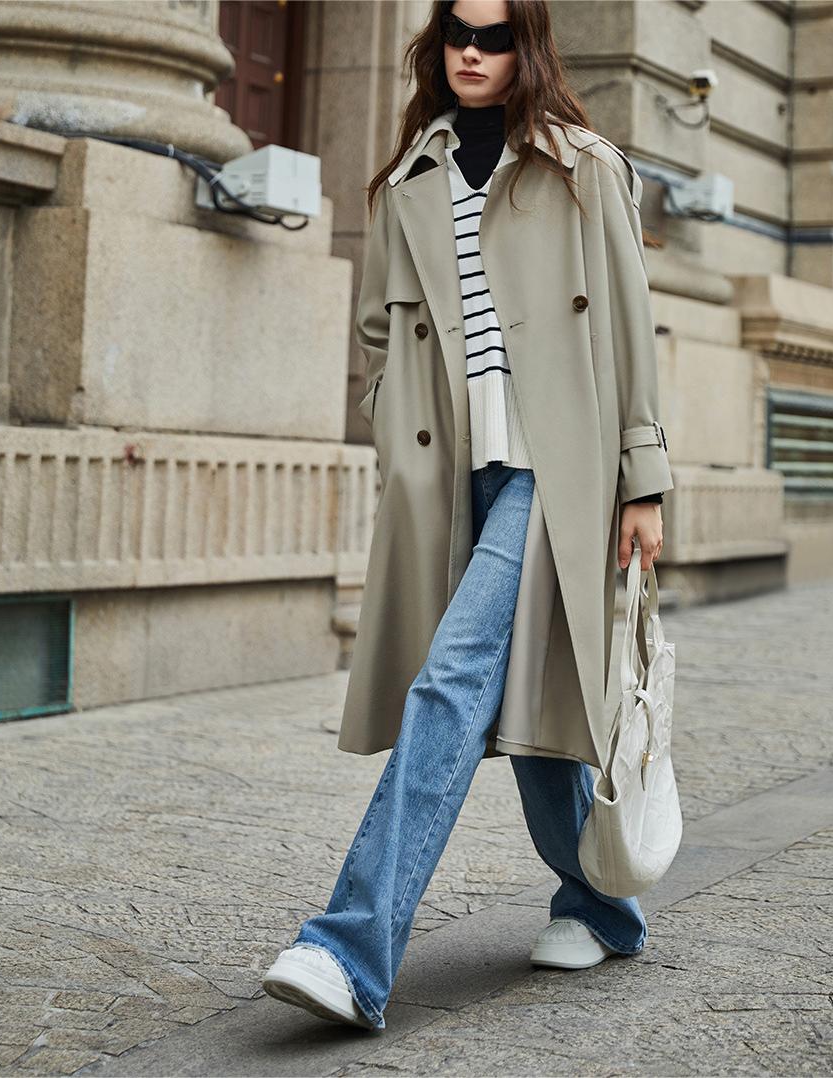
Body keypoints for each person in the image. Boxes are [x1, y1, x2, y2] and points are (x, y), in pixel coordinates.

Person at [263, 0, 669, 1032]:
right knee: (532, 724)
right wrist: (391, 421)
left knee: (448, 686)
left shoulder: (584, 168)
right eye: (458, 34)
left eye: (494, 36)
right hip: (457, 478)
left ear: (525, 45)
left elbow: (628, 319)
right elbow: (378, 335)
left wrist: (644, 478)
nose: (474, 53)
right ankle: (603, 901)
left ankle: (349, 949)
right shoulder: (412, 179)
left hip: (556, 470)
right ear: (436, 45)